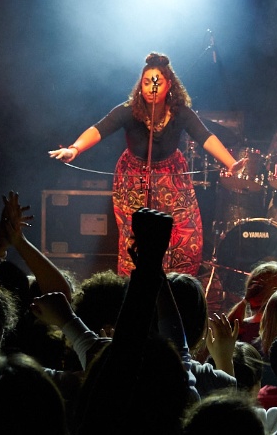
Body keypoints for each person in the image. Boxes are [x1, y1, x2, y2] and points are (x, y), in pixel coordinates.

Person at [49, 52, 245, 276]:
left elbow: (205, 136)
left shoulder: (181, 112)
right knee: (137, 237)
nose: (152, 88)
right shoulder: (129, 110)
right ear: (140, 85)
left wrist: (230, 163)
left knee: (184, 235)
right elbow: (100, 129)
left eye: (158, 82)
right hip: (133, 176)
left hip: (172, 175)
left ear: (169, 84)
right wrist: (74, 148)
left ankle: (175, 288)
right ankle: (137, 289)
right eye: (146, 82)